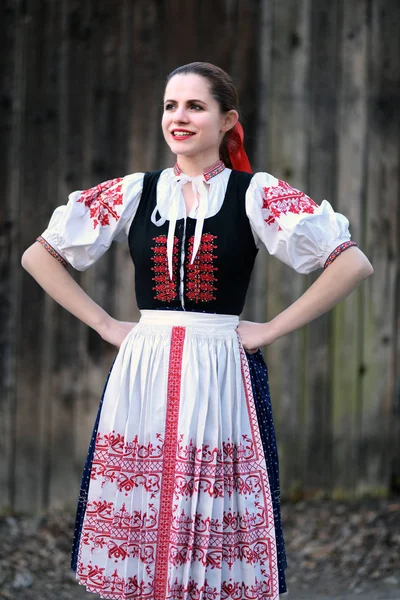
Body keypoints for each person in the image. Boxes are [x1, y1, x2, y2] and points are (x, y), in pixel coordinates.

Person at [21, 61, 373, 600]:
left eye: (194, 106)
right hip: (146, 365)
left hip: (219, 367)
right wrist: (106, 323)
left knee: (210, 509)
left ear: (227, 120)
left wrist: (271, 329)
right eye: (170, 106)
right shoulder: (137, 192)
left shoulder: (253, 194)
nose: (178, 118)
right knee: (145, 514)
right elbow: (39, 256)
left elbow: (351, 264)